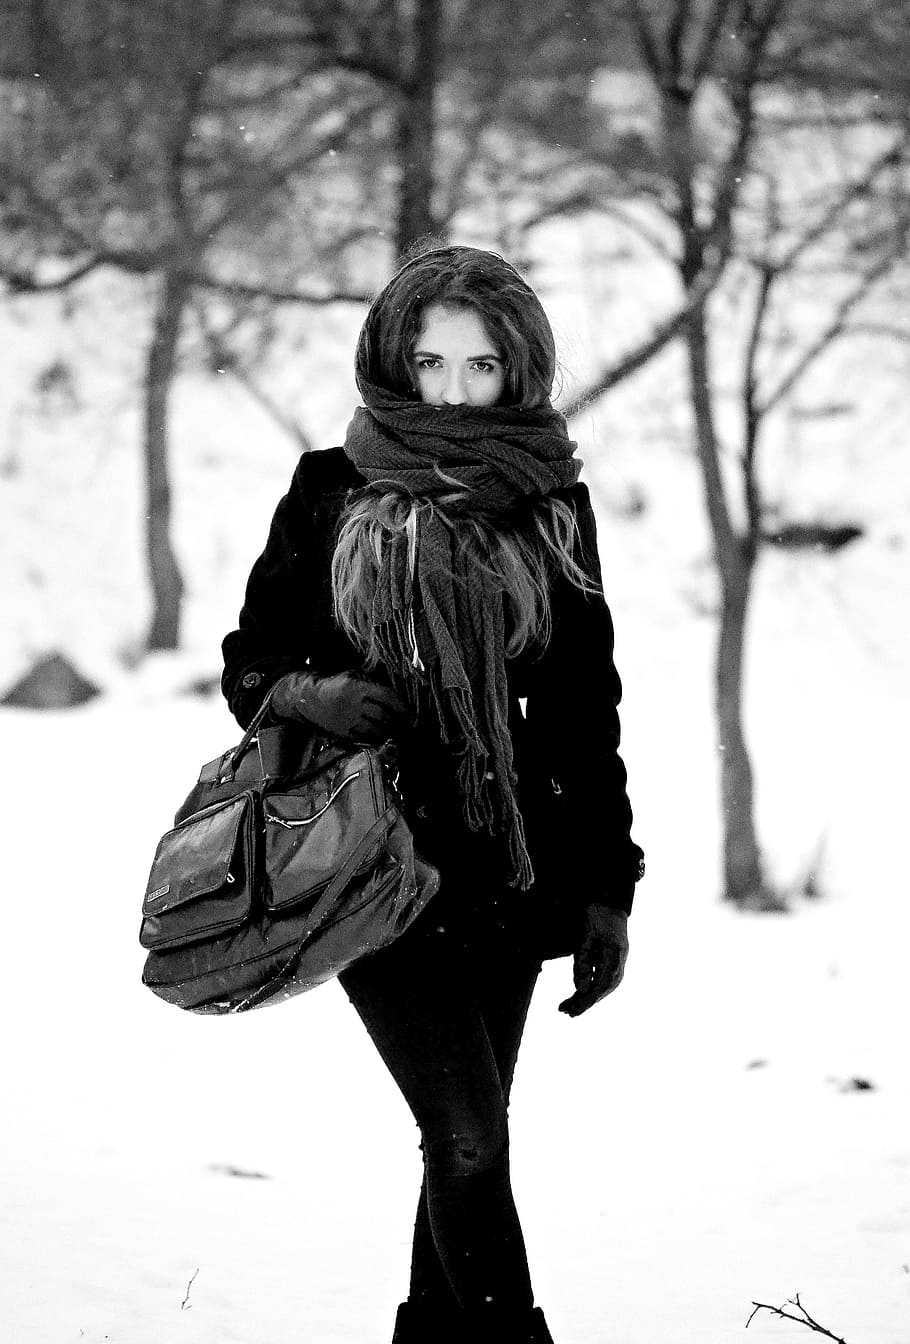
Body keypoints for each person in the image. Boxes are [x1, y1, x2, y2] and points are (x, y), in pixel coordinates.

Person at [221, 245, 644, 1344]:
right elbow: (250, 662)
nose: (452, 392)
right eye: (430, 361)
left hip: (506, 871)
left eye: (481, 367)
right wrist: (314, 695)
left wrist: (607, 891)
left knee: (466, 1140)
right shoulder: (331, 488)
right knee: (464, 1139)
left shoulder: (550, 509)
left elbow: (580, 714)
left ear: (521, 372)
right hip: (370, 863)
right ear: (392, 359)